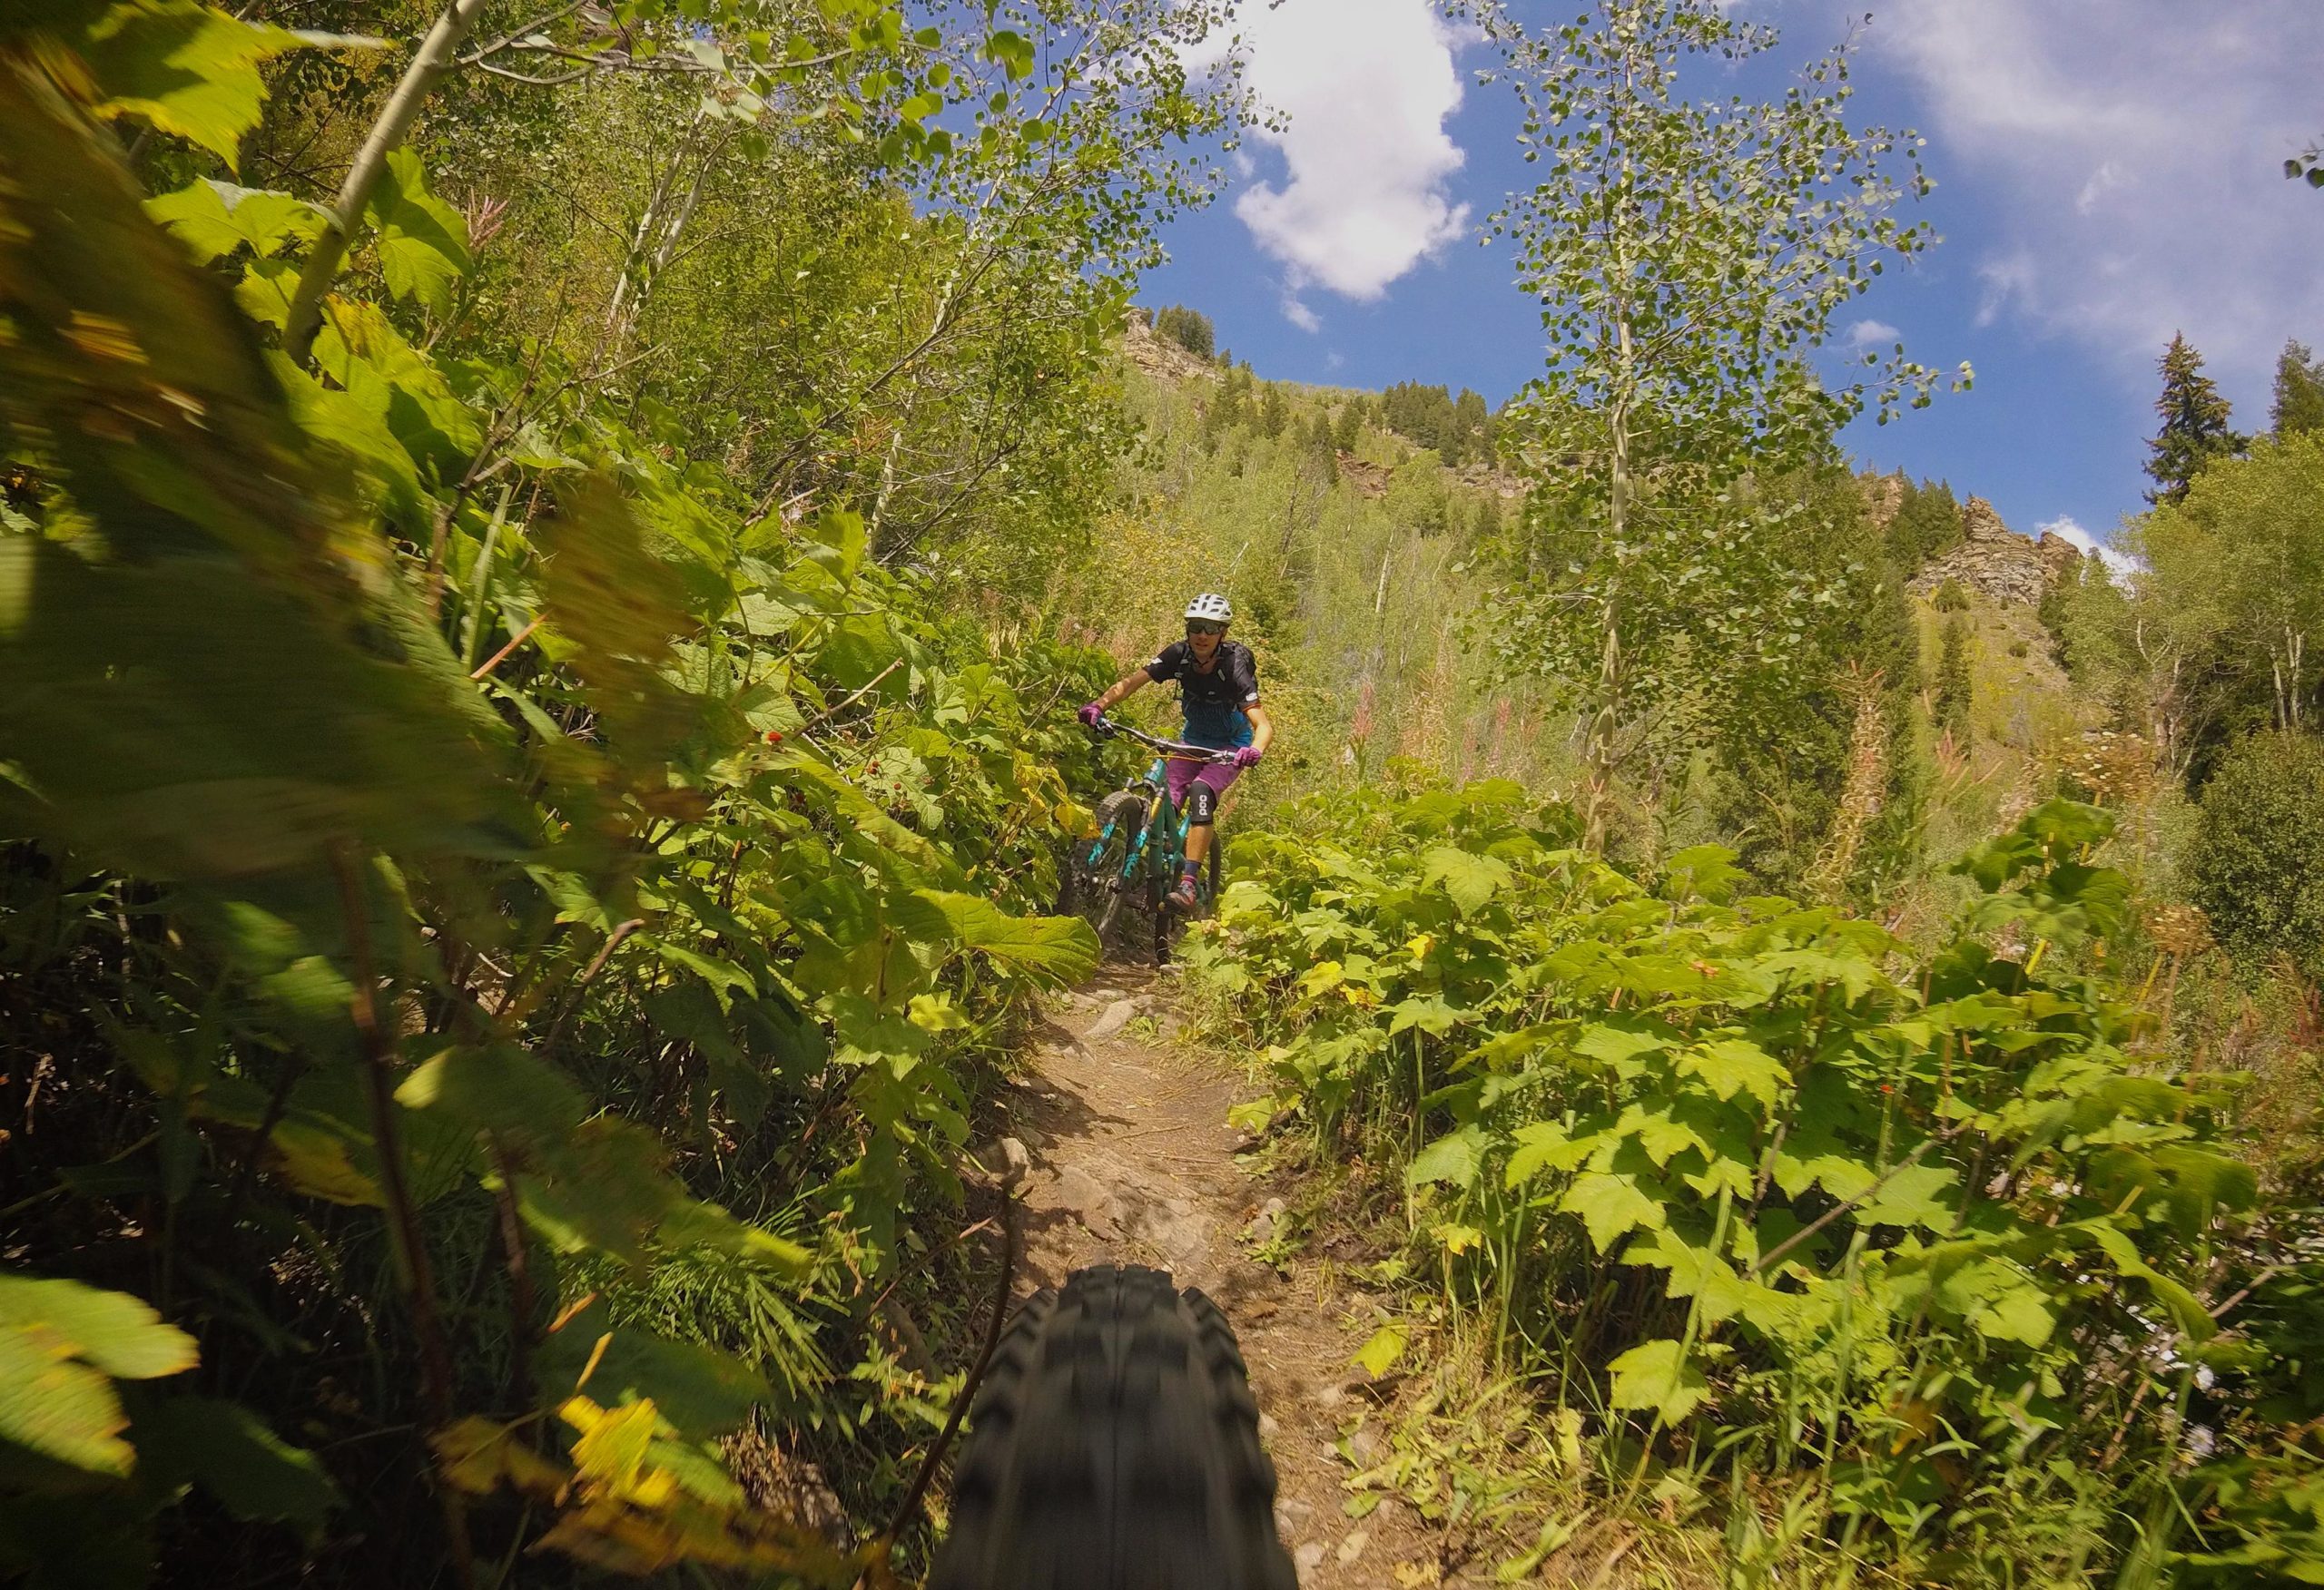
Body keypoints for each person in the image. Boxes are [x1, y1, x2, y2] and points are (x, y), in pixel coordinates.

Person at [1079, 593, 1274, 910]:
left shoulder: (1234, 665)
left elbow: (1263, 725)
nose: (1202, 635)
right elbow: (1130, 683)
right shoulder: (1178, 656)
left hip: (1230, 747)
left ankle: (1188, 885)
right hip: (1192, 739)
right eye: (1196, 626)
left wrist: (1254, 750)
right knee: (1163, 796)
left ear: (1222, 633)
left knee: (1201, 791)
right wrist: (1098, 706)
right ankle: (1148, 865)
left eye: (1211, 629)